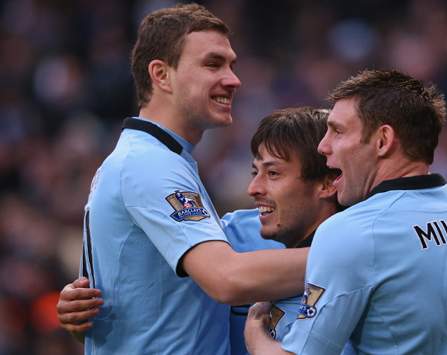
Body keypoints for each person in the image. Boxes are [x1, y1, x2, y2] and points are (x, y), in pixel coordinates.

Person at [59, 107, 447, 354]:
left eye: (272, 174)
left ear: (327, 182)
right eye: (255, 170)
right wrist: (84, 313)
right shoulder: (232, 239)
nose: (253, 188)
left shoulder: (377, 256)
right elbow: (157, 293)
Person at [75, 4, 308, 354]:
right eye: (213, 64)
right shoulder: (150, 165)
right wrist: (356, 254)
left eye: (231, 64)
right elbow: (226, 278)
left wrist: (77, 319)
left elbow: (108, 312)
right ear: (161, 75)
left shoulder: (155, 158)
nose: (233, 79)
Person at [244, 70, 447, 355]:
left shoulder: (352, 232)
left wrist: (255, 333)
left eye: (338, 131)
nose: (323, 146)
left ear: (383, 140)